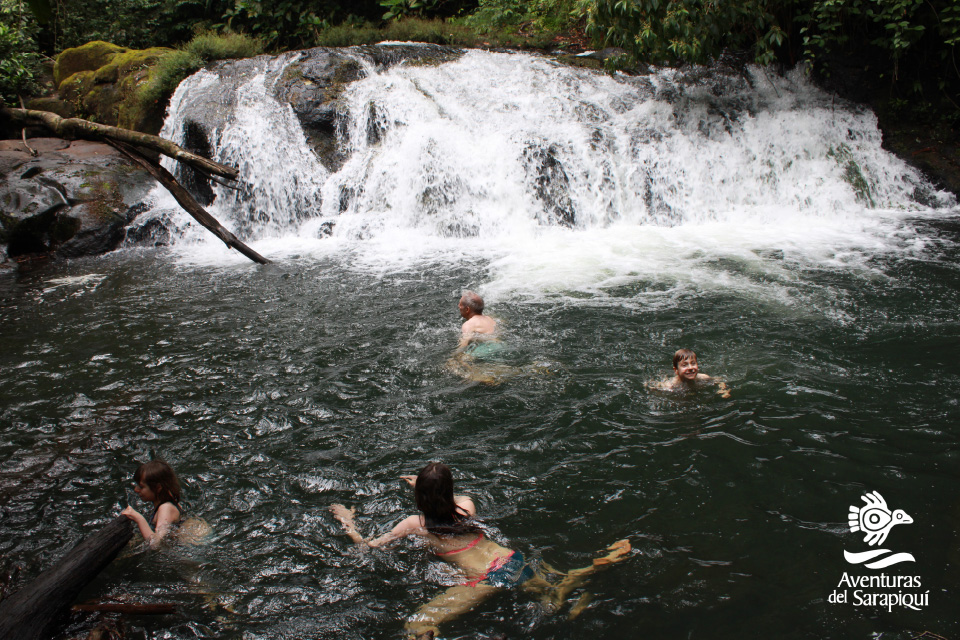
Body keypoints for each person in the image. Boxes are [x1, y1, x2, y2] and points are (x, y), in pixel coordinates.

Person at [330, 462, 631, 640]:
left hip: (485, 578)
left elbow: (368, 547)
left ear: (420, 498)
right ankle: (585, 573)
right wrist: (425, 487)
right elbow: (446, 499)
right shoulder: (467, 506)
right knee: (550, 591)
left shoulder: (413, 524)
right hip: (510, 559)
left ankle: (575, 583)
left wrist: (348, 522)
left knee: (416, 625)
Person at [120, 459, 182, 548]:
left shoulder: (166, 508)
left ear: (158, 487)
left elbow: (156, 544)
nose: (136, 489)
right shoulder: (167, 498)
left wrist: (138, 518)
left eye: (141, 487)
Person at [657, 348, 730, 398]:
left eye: (693, 363)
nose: (690, 368)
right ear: (676, 370)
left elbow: (719, 380)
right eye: (684, 365)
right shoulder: (670, 386)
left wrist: (724, 390)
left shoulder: (703, 377)